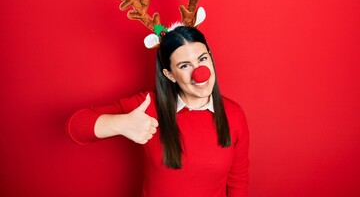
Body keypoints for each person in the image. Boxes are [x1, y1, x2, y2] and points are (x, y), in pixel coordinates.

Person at [67, 25, 249, 197]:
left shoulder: (234, 114)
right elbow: (76, 127)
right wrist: (120, 124)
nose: (199, 72)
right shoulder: (147, 106)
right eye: (184, 65)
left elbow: (238, 181)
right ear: (169, 75)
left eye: (202, 59)